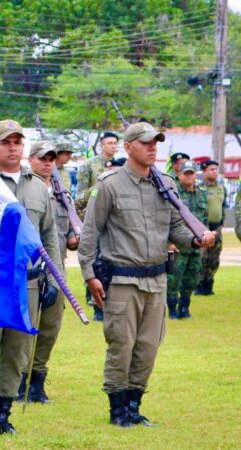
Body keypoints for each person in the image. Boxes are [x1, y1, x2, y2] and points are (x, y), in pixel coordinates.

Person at [78, 122, 215, 428]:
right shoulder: (109, 184)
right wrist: (89, 274)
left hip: (157, 281)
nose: (153, 147)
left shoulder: (165, 183)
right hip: (123, 280)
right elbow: (90, 233)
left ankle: (134, 407)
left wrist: (195, 239)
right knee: (121, 345)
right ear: (129, 147)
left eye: (156, 142)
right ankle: (117, 411)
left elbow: (176, 228)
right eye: (146, 142)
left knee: (148, 347)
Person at [0, 121, 62, 435]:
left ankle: (3, 413)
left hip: (29, 282)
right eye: (6, 142)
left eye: (18, 142)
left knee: (17, 350)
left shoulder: (37, 186)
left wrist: (53, 275)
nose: (12, 148)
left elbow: (49, 235)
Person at [20, 140, 78, 404]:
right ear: (30, 159)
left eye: (51, 159)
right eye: (42, 158)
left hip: (57, 267)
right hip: (28, 267)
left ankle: (37, 383)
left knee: (50, 326)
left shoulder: (62, 194)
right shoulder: (21, 189)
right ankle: (18, 380)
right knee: (24, 328)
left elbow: (66, 233)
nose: (47, 163)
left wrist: (75, 238)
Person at [76, 131, 119, 321]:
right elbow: (79, 198)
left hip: (115, 223)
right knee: (94, 262)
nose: (113, 146)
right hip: (94, 220)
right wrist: (100, 185)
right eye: (109, 143)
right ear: (101, 145)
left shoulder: (122, 165)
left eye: (115, 143)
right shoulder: (88, 166)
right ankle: (96, 305)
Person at [165, 161, 208, 319]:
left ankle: (184, 308)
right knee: (173, 279)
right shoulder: (173, 195)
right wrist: (168, 243)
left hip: (196, 246)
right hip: (177, 246)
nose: (189, 177)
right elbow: (167, 221)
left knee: (191, 279)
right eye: (186, 173)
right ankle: (172, 310)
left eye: (192, 173)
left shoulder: (201, 193)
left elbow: (204, 219)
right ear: (179, 175)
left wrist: (205, 239)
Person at [195, 160, 226, 296]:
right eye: (211, 169)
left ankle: (209, 285)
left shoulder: (221, 187)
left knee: (214, 259)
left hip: (217, 227)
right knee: (202, 258)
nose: (214, 171)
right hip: (203, 227)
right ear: (204, 171)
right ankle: (199, 286)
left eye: (216, 169)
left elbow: (222, 206)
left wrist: (221, 222)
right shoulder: (199, 188)